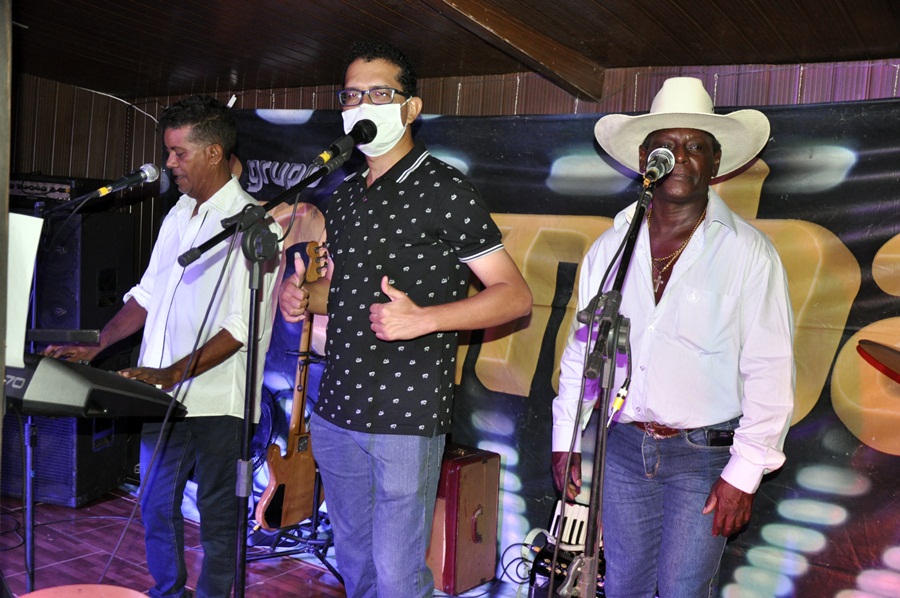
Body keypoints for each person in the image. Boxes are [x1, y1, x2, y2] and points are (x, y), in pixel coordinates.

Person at [279, 40, 532, 598]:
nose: (361, 105)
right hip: (336, 408)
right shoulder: (344, 196)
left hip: (406, 413)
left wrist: (425, 319)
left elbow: (515, 296)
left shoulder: (445, 188)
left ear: (411, 108)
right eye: (351, 95)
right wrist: (304, 296)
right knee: (355, 566)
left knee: (398, 577)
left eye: (378, 93)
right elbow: (344, 293)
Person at [551, 77, 795, 597]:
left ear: (715, 161)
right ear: (646, 159)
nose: (680, 157)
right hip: (621, 446)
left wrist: (744, 474)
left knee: (683, 589)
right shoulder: (611, 248)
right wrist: (566, 438)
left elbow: (770, 369)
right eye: (667, 145)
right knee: (624, 587)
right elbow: (583, 353)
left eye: (696, 146)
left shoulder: (748, 252)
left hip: (703, 455)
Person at [44, 95, 282, 598]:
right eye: (169, 152)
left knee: (219, 517)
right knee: (155, 504)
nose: (169, 163)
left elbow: (242, 327)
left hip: (218, 403)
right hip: (159, 393)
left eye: (179, 153)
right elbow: (148, 294)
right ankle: (167, 592)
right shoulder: (177, 213)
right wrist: (97, 345)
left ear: (213, 153)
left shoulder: (256, 224)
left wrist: (173, 372)